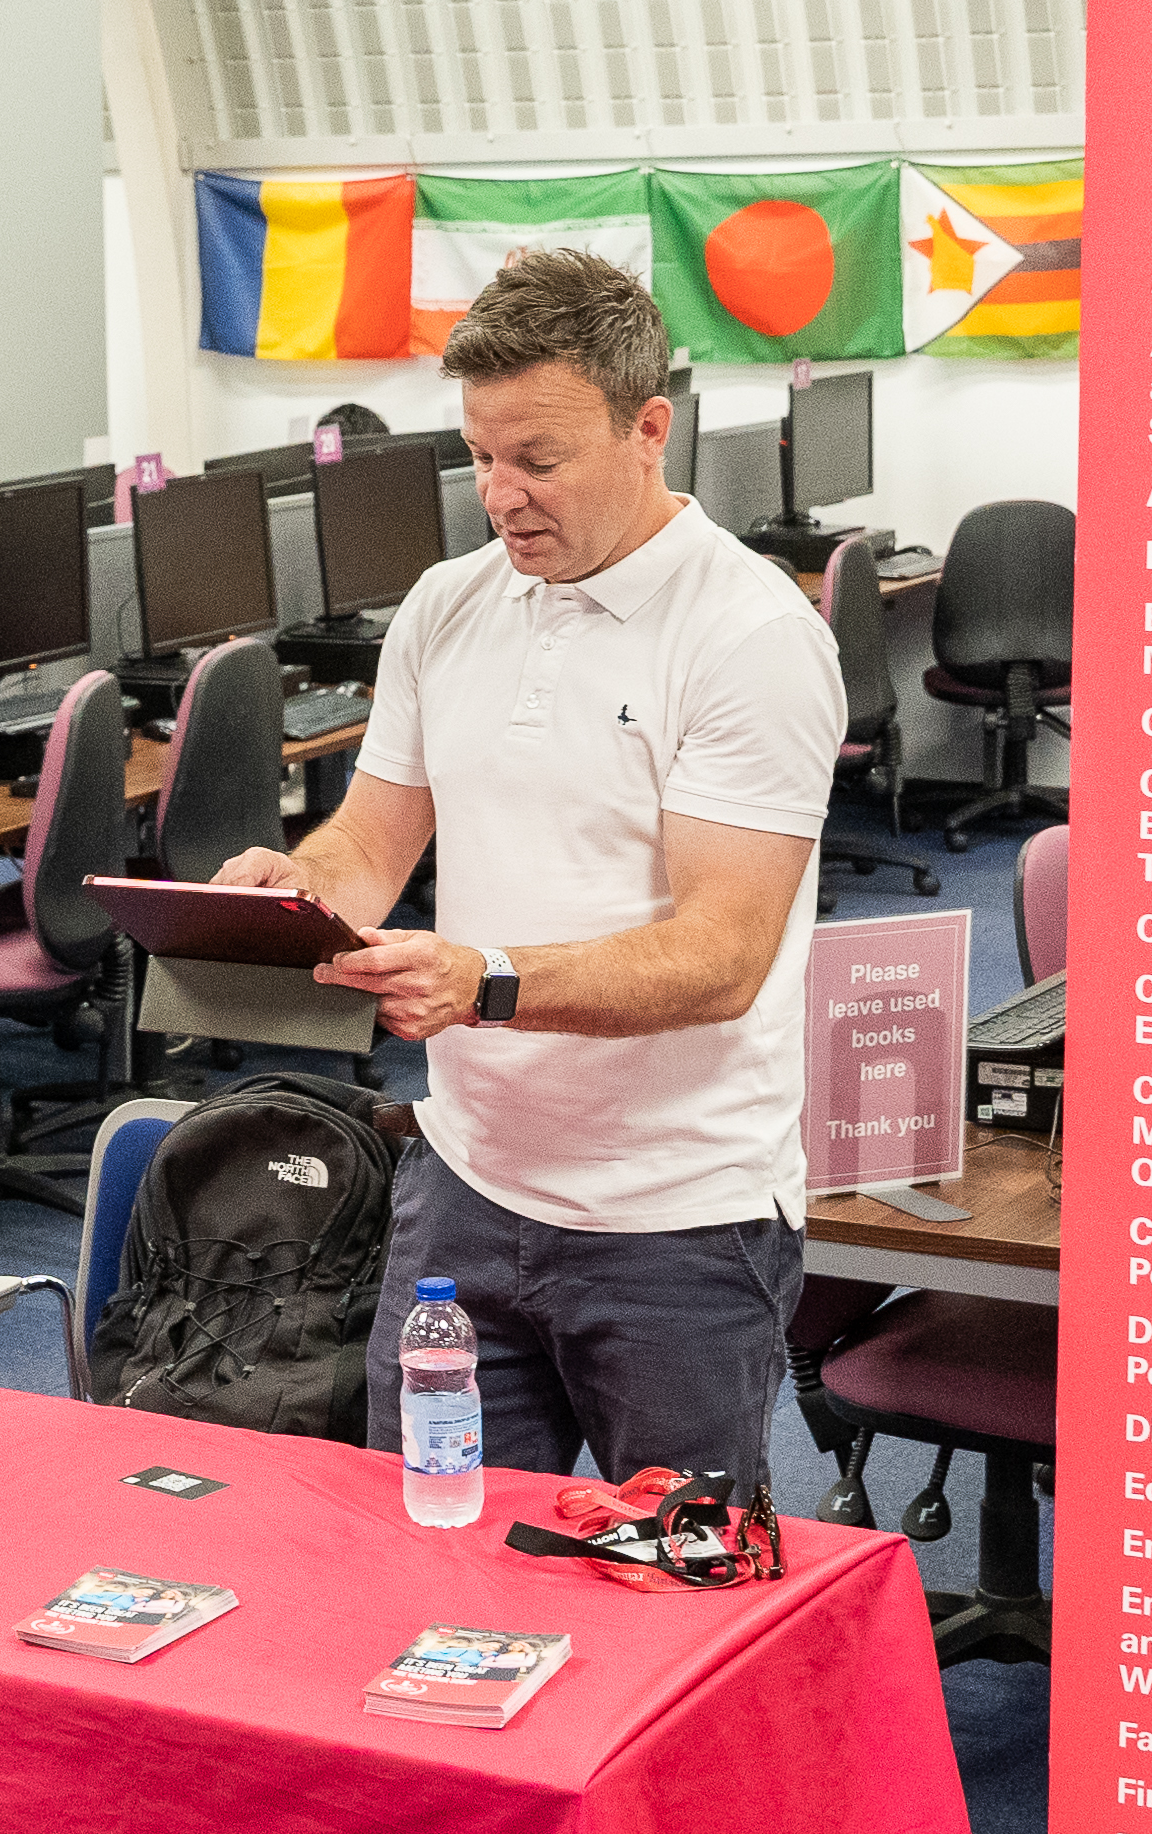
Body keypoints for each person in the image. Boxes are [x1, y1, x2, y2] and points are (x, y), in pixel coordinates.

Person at [215, 248, 844, 1489]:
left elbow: (721, 957)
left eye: (538, 461)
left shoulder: (749, 637)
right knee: (430, 1555)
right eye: (479, 457)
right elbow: (371, 840)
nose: (500, 496)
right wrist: (296, 891)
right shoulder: (448, 606)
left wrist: (483, 982)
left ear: (647, 430)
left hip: (675, 1216)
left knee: (672, 1576)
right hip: (464, 1182)